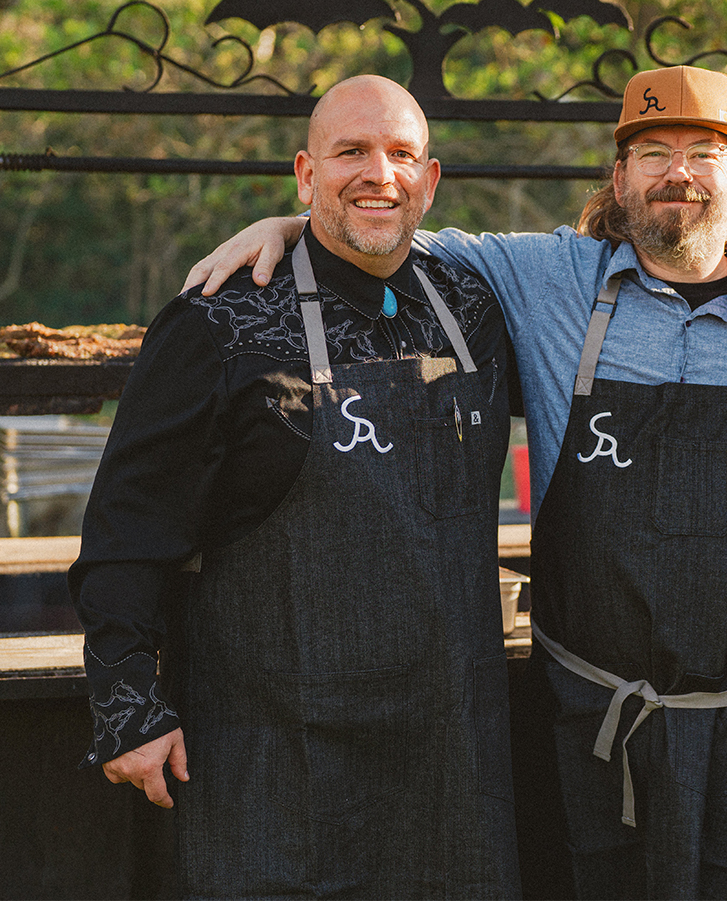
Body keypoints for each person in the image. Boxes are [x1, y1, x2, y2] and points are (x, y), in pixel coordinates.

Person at [185, 64, 727, 900]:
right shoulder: (546, 279)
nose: (679, 173)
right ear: (620, 179)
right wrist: (288, 224)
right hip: (586, 719)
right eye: (653, 152)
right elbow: (382, 220)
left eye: (705, 152)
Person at [70, 75, 520, 898]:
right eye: (351, 152)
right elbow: (128, 529)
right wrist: (128, 705)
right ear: (306, 176)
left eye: (401, 155)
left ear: (430, 179)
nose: (379, 173)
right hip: (276, 753)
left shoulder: (476, 307)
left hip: (450, 749)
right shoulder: (218, 319)